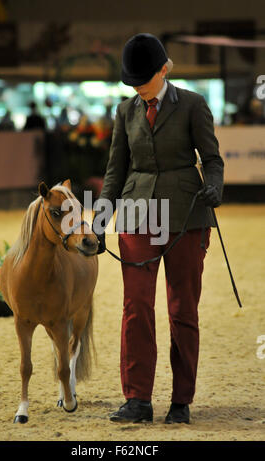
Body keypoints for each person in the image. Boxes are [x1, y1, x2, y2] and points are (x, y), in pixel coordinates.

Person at [92, 33, 224, 425]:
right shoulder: (125, 111)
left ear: (164, 69)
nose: (136, 89)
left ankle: (181, 401)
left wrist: (214, 185)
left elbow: (212, 158)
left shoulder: (193, 105)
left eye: (142, 81)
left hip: (186, 214)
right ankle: (137, 399)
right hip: (136, 212)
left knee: (183, 309)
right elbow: (115, 171)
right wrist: (101, 220)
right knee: (136, 307)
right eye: (131, 82)